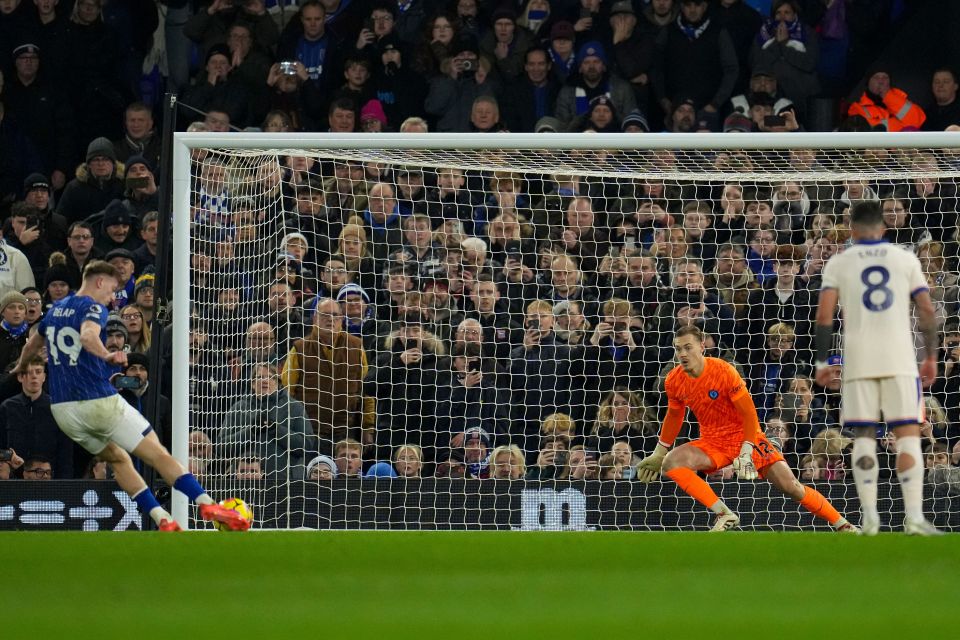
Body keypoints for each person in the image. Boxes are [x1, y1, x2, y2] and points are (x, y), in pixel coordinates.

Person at [12, 260, 250, 531]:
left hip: (63, 410)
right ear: (100, 281)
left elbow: (33, 343)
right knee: (157, 453)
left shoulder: (55, 311)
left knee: (118, 458)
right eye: (112, 289)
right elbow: (89, 336)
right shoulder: (92, 307)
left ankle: (162, 518)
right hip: (96, 401)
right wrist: (107, 354)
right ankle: (207, 503)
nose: (112, 297)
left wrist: (19, 367)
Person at [636, 325, 857, 532]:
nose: (682, 354)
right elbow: (674, 415)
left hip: (745, 437)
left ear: (702, 346)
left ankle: (843, 525)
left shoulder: (724, 371)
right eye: (678, 349)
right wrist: (659, 451)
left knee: (792, 487)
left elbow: (749, 413)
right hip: (712, 442)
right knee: (671, 463)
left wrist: (746, 449)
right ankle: (723, 514)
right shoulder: (673, 380)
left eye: (688, 347)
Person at [814, 201, 942, 536]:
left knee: (864, 436)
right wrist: (931, 356)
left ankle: (870, 519)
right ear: (884, 228)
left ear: (852, 230)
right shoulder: (905, 259)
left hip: (858, 361)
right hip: (901, 360)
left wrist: (822, 361)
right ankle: (914, 518)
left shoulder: (839, 262)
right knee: (908, 435)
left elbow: (824, 317)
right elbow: (926, 311)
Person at [847, 68, 925, 132]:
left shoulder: (901, 98)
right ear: (868, 83)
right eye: (876, 77)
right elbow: (869, 132)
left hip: (901, 150)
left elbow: (916, 121)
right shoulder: (857, 108)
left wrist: (887, 96)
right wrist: (900, 124)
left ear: (890, 82)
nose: (881, 81)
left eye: (885, 77)